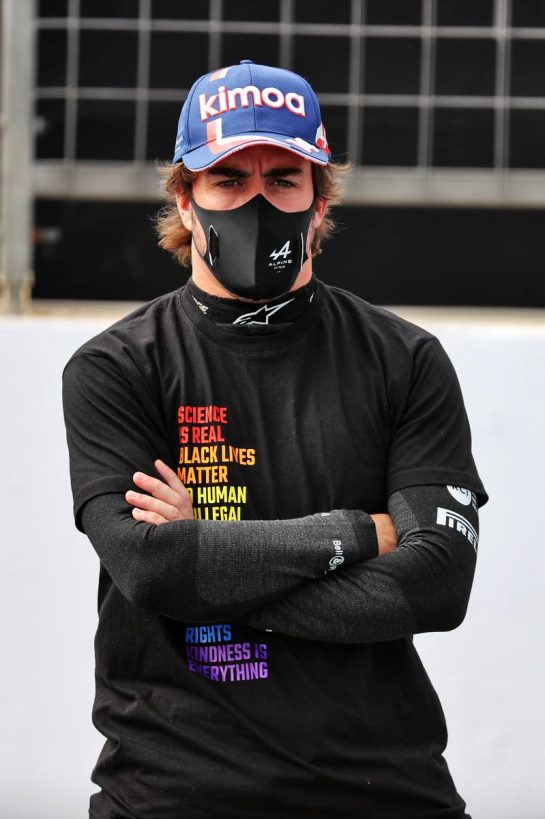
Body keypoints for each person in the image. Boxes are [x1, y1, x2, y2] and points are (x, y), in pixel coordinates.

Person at [62, 60, 488, 819]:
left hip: (384, 788)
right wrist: (358, 532)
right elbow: (153, 569)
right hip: (173, 791)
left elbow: (437, 584)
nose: (256, 200)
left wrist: (212, 562)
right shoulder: (117, 365)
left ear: (318, 200)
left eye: (282, 178)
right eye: (229, 180)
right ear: (185, 200)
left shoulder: (404, 359)